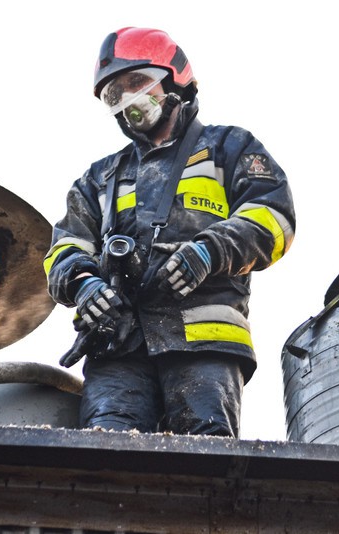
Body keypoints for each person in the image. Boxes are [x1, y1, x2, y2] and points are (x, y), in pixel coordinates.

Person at [43, 27, 295, 437]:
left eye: (137, 82)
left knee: (205, 453)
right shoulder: (100, 179)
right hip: (118, 345)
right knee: (106, 450)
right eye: (115, 94)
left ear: (175, 79)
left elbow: (274, 217)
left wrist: (209, 252)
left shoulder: (228, 148)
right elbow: (63, 248)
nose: (128, 99)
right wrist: (85, 284)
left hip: (203, 340)